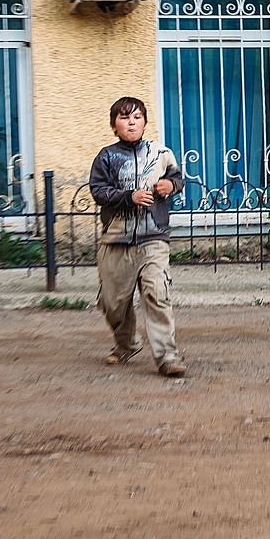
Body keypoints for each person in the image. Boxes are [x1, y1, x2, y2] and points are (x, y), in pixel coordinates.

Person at [89, 96, 187, 378]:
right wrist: (128, 197)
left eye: (137, 117)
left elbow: (178, 179)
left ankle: (167, 356)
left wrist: (171, 185)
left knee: (157, 294)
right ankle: (127, 343)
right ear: (114, 126)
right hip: (116, 240)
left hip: (153, 237)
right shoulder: (106, 157)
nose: (131, 123)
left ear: (144, 123)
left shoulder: (161, 153)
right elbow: (98, 191)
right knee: (113, 304)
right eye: (124, 118)